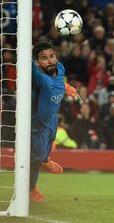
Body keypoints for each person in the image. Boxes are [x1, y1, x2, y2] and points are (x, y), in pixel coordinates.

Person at [30, 41, 79, 203]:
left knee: (50, 144)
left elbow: (56, 81)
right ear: (37, 63)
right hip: (36, 126)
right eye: (44, 58)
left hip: (52, 119)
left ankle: (46, 159)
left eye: (51, 56)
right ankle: (31, 188)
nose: (50, 60)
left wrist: (66, 86)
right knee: (35, 160)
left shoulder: (61, 69)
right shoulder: (37, 77)